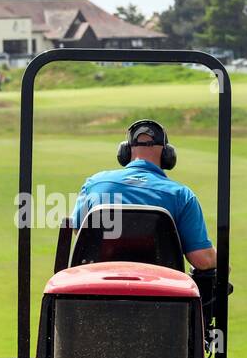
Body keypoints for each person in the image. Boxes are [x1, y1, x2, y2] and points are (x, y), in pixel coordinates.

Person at [71, 119, 225, 326]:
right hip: (160, 302)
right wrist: (223, 262)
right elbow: (202, 260)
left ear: (125, 152)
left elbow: (79, 231)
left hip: (97, 294)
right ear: (168, 155)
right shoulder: (181, 195)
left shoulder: (94, 184)